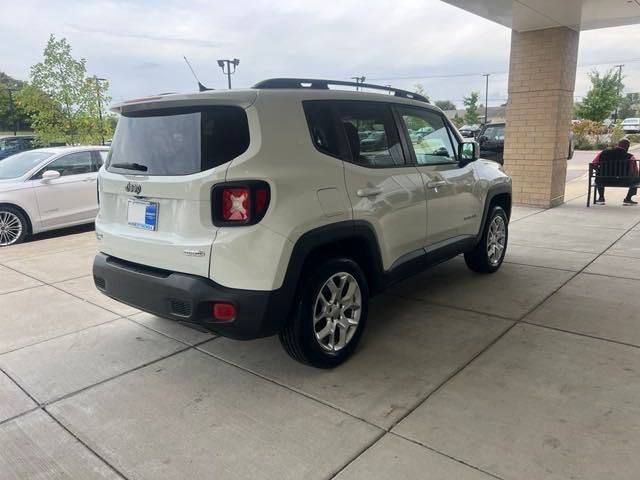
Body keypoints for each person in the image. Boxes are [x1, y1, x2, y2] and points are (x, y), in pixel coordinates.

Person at [592, 138, 638, 205]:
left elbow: (593, 164)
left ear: (618, 145)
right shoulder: (630, 157)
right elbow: (634, 171)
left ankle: (601, 197)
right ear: (627, 146)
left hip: (602, 180)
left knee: (599, 174)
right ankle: (628, 198)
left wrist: (599, 171)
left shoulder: (603, 153)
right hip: (623, 181)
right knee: (637, 177)